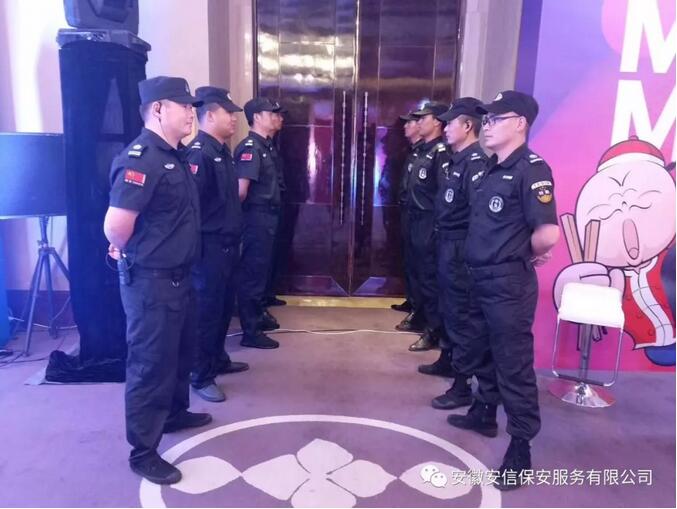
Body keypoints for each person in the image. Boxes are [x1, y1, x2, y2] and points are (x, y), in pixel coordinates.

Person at [447, 91, 560, 491]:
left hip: (508, 284)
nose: (488, 126)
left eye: (496, 119)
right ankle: (484, 411)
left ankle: (520, 449)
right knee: (480, 351)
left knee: (513, 364)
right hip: (478, 278)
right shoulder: (490, 170)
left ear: (520, 124)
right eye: (487, 119)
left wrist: (520, 252)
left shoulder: (532, 169)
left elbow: (548, 234)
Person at [103, 76, 211, 485]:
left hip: (181, 277)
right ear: (159, 109)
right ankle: (144, 451)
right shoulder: (141, 158)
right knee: (151, 364)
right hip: (151, 282)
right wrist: (130, 251)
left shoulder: (175, 156)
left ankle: (175, 413)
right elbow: (116, 227)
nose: (191, 113)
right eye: (184, 105)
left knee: (180, 353)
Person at [418, 98, 487, 414]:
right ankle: (447, 359)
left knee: (461, 315)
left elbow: (476, 216)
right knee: (447, 308)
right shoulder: (454, 161)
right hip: (445, 243)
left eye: (451, 123)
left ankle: (461, 386)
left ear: (468, 125)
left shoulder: (476, 164)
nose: (445, 128)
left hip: (460, 248)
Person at [186, 86, 249, 403]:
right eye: (229, 113)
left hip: (227, 246)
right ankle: (200, 375)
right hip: (208, 249)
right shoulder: (199, 153)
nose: (235, 119)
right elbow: (192, 207)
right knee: (206, 313)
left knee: (224, 308)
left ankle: (218, 359)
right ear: (210, 115)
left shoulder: (222, 151)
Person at [398, 101, 450, 351]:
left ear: (437, 122)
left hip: (429, 221)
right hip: (414, 218)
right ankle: (421, 317)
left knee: (429, 278)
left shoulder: (441, 152)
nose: (418, 123)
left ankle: (433, 331)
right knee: (417, 272)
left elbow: (442, 194)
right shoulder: (422, 151)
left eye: (423, 118)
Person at [235, 97, 284, 349]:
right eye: (270, 113)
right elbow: (241, 191)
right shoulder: (250, 148)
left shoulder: (264, 146)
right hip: (255, 218)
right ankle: (251, 331)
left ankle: (258, 318)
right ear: (256, 117)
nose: (275, 117)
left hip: (267, 217)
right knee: (252, 275)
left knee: (261, 272)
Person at [392, 110, 423, 317]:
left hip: (422, 217)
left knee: (420, 265)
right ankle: (412, 301)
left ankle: (418, 309)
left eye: (410, 123)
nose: (405, 126)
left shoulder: (434, 152)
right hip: (409, 212)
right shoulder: (414, 151)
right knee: (409, 260)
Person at [263, 100, 288, 308]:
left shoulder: (269, 145)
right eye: (275, 114)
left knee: (272, 256)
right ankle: (257, 308)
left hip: (274, 209)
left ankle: (267, 294)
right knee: (259, 262)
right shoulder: (253, 147)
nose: (280, 119)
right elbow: (242, 189)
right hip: (261, 214)